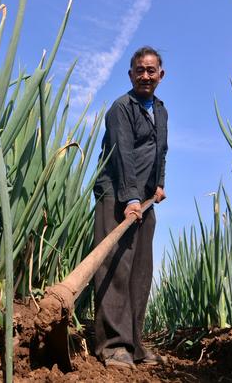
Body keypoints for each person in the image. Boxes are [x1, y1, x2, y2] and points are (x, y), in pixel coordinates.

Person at [92, 46, 168, 369]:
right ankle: (112, 345)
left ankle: (134, 344)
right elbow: (122, 154)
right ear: (131, 74)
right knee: (115, 267)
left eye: (151, 71)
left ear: (160, 75)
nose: (145, 76)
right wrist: (131, 199)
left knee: (140, 270)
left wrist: (159, 184)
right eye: (140, 70)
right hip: (116, 195)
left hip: (145, 200)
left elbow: (161, 149)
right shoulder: (121, 108)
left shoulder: (161, 110)